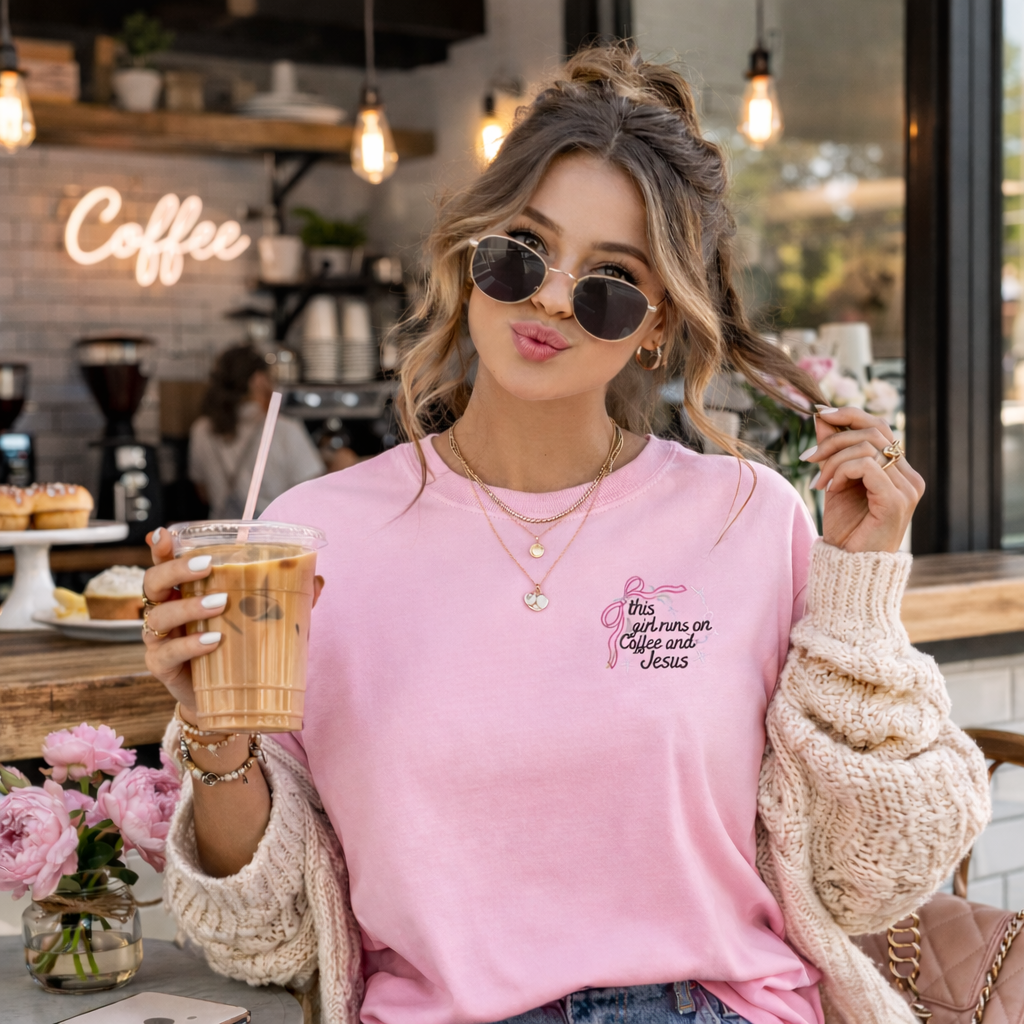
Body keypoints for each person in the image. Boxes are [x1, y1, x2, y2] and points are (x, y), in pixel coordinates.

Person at [142, 44, 989, 1024]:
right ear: (470, 253)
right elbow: (268, 937)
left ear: (658, 325)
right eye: (521, 251)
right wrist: (214, 732)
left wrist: (860, 584)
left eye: (610, 282)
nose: (549, 297)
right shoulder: (314, 538)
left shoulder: (748, 517)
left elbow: (871, 876)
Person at [188, 345, 325, 517]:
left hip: (221, 531)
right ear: (258, 380)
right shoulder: (284, 429)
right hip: (273, 532)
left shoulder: (201, 430)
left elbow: (203, 493)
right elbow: (312, 494)